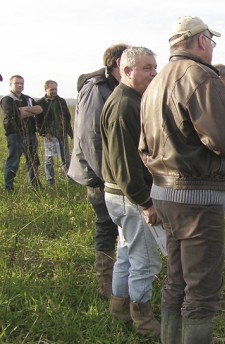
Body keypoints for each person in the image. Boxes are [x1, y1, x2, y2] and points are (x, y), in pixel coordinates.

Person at [140, 16, 225, 342]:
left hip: (164, 192)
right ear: (200, 41)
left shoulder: (155, 83)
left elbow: (142, 145)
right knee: (201, 288)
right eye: (211, 41)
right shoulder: (200, 77)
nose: (213, 47)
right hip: (196, 196)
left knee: (177, 279)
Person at [100, 47, 161, 337]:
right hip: (129, 196)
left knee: (126, 252)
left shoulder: (131, 100)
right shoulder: (125, 105)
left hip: (121, 195)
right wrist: (146, 202)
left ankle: (119, 307)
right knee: (145, 260)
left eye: (154, 67)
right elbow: (125, 165)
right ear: (126, 71)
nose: (154, 73)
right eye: (147, 68)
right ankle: (143, 319)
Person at [68, 43, 128, 299]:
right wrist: (107, 178)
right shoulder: (96, 89)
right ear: (117, 63)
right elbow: (91, 137)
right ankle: (106, 286)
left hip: (110, 173)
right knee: (106, 225)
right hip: (98, 174)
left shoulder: (114, 88)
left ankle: (118, 281)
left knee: (116, 226)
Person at [1, 75, 43, 192]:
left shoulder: (28, 98)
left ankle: (35, 186)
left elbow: (39, 109)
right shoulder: (7, 99)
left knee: (33, 160)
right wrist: (30, 110)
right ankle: (9, 188)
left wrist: (24, 110)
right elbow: (15, 114)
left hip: (30, 134)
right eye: (17, 83)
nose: (20, 85)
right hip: (15, 135)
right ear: (11, 85)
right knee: (13, 161)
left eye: (22, 83)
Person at [35, 80, 73, 186]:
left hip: (61, 133)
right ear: (46, 89)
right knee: (49, 160)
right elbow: (37, 122)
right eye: (51, 89)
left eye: (55, 89)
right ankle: (50, 182)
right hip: (49, 136)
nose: (54, 91)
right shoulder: (40, 103)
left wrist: (68, 130)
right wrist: (43, 133)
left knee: (65, 158)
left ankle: (69, 179)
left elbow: (67, 117)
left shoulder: (61, 101)